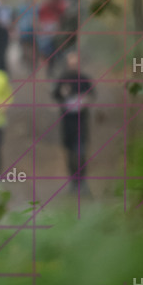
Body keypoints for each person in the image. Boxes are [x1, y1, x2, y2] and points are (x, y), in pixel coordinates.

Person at [52, 51, 95, 195]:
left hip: (81, 121)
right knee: (70, 152)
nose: (73, 66)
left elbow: (92, 95)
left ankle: (82, 181)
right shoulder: (62, 79)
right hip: (67, 121)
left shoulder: (84, 80)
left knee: (80, 151)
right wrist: (62, 94)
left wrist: (85, 101)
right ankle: (73, 181)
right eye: (71, 64)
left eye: (75, 64)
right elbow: (55, 95)